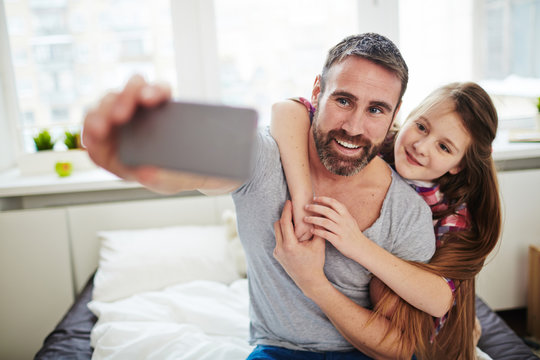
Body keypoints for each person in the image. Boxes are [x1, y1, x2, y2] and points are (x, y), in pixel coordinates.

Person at [83, 33, 437, 359]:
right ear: (317, 92)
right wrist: (150, 147)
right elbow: (203, 163)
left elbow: (400, 347)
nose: (354, 127)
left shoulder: (407, 212)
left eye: (376, 109)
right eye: (343, 100)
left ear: (396, 113)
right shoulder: (268, 157)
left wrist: (311, 280)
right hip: (277, 350)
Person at [270, 81, 501, 359]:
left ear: (458, 165)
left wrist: (357, 244)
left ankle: (470, 331)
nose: (421, 146)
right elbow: (287, 109)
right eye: (421, 127)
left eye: (444, 147)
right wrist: (303, 201)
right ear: (408, 114)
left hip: (416, 320)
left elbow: (439, 301)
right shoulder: (375, 145)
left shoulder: (453, 216)